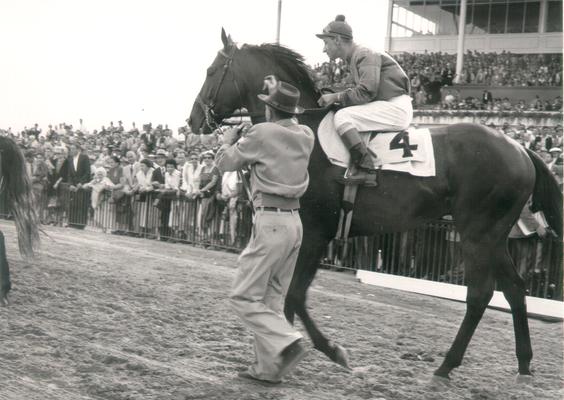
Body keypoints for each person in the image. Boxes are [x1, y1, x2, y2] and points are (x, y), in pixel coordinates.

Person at [215, 80, 314, 384]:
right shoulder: (306, 135)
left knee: (242, 295)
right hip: (294, 223)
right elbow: (280, 133)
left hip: (270, 222)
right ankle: (268, 370)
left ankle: (288, 340)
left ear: (270, 109)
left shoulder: (261, 133)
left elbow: (225, 163)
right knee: (272, 300)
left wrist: (228, 141)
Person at [316, 15, 412, 171]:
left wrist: (335, 97)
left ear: (338, 40)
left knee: (343, 116)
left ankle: (365, 168)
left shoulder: (364, 53)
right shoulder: (356, 56)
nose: (324, 49)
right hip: (388, 105)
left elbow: (366, 92)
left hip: (395, 108)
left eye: (326, 43)